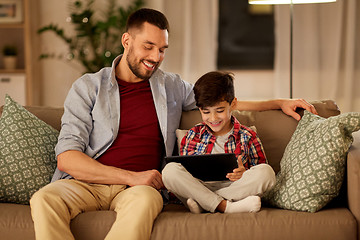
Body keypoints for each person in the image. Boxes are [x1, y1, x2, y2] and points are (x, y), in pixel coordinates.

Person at [29, 8, 318, 240]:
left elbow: (219, 100)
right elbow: (67, 158)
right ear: (127, 41)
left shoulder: (169, 85)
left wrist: (278, 102)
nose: (156, 57)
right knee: (44, 199)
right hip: (89, 184)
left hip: (142, 190)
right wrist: (130, 176)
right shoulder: (87, 87)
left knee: (143, 204)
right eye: (149, 46)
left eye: (163, 48)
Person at [162, 71, 276, 213]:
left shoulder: (248, 136)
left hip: (234, 189)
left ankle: (206, 205)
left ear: (233, 104)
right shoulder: (192, 136)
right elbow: (185, 176)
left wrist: (244, 173)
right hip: (199, 188)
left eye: (220, 110)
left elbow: (259, 174)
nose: (213, 118)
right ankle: (226, 206)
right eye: (206, 112)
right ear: (199, 109)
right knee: (169, 171)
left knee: (266, 172)